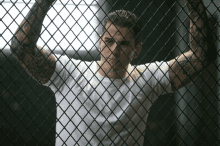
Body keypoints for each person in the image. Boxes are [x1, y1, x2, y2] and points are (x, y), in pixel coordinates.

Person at [10, 0, 216, 145]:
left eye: (124, 43)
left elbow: (200, 56)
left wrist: (195, 3)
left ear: (137, 49)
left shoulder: (147, 78)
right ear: (100, 43)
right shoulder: (71, 72)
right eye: (109, 41)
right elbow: (20, 47)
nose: (115, 49)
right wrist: (44, 2)